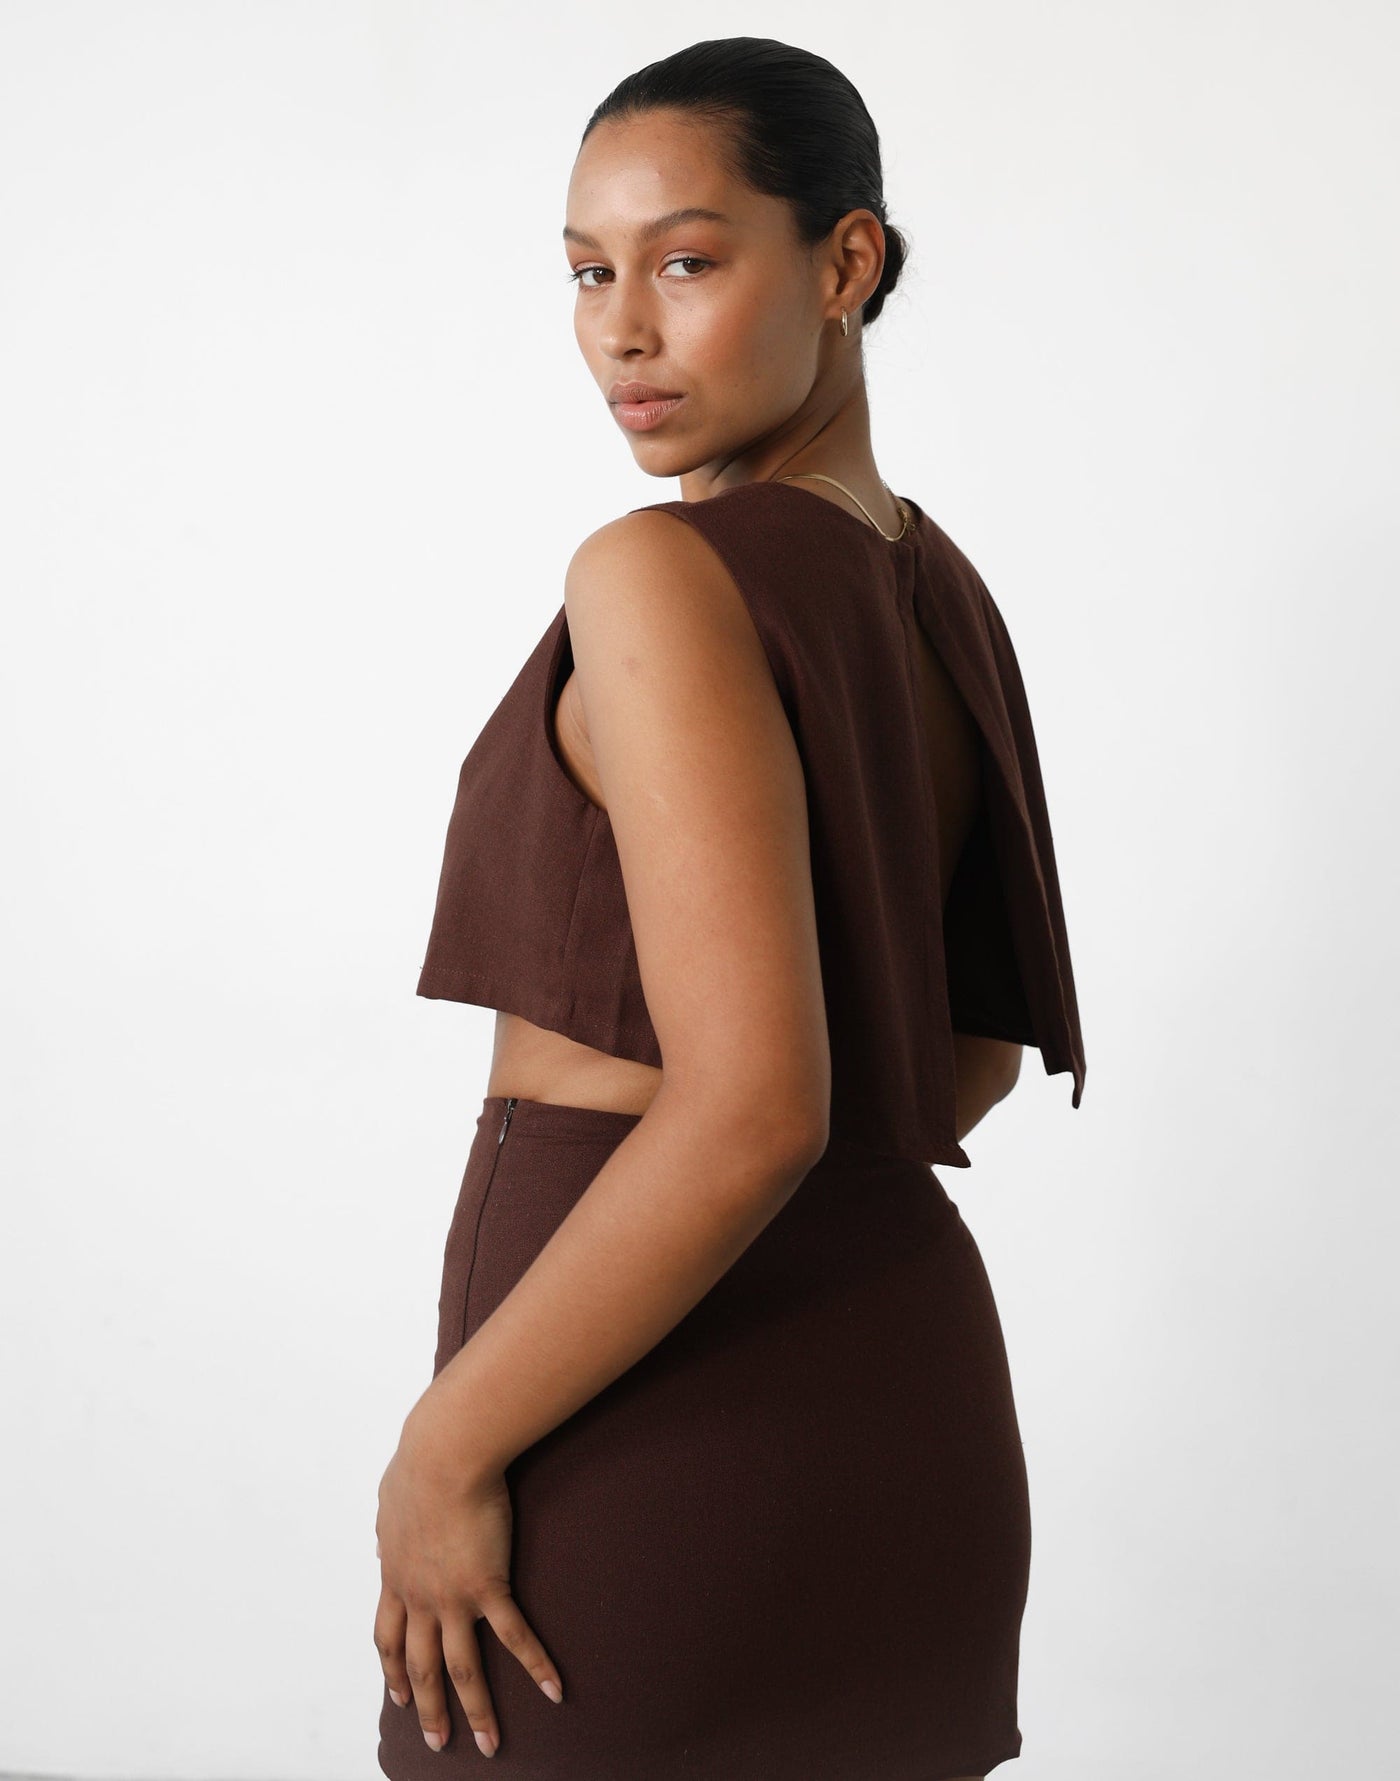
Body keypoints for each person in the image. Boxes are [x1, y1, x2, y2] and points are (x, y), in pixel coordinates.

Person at [373, 35, 1085, 1780]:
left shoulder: (657, 572)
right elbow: (965, 1052)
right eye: (587, 274)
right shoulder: (935, 584)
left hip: (646, 1429)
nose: (623, 329)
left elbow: (757, 1109)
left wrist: (443, 1449)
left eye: (685, 262)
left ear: (847, 262)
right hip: (900, 1402)